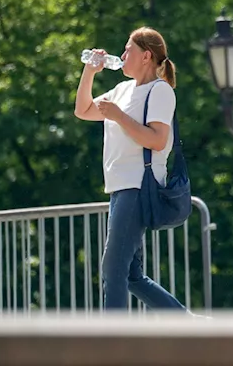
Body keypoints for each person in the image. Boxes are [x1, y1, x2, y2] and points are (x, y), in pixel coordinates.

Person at [73, 26, 186, 311]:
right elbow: (83, 111)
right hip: (120, 188)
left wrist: (120, 117)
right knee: (132, 277)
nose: (122, 55)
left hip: (137, 187)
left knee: (113, 270)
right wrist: (89, 71)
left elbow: (159, 141)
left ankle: (114, 346)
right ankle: (188, 323)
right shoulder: (122, 90)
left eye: (128, 50)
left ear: (146, 56)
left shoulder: (160, 91)